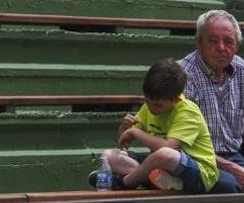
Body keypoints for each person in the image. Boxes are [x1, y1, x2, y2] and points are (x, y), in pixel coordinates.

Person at [91, 58, 234, 194]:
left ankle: (124, 183)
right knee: (109, 156)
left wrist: (136, 133)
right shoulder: (149, 107)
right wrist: (124, 129)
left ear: (175, 100)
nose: (151, 108)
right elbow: (122, 144)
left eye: (158, 105)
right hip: (162, 167)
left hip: (199, 173)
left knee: (164, 154)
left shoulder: (188, 111)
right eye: (147, 101)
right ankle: (164, 181)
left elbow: (168, 147)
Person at [179, 10, 244, 193]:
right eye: (212, 41)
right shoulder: (182, 74)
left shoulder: (243, 69)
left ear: (237, 46)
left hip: (233, 155)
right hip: (195, 158)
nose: (221, 47)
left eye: (228, 42)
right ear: (198, 43)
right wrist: (233, 169)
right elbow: (184, 144)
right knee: (232, 188)